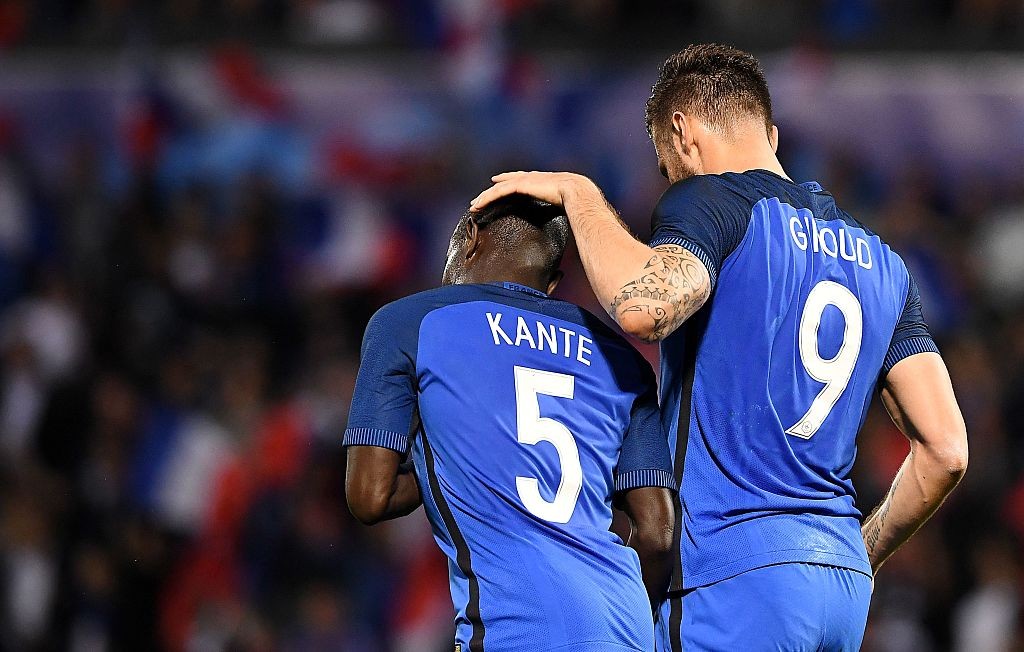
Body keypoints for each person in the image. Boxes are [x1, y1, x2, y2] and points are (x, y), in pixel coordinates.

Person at [471, 44, 969, 651]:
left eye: (663, 166)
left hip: (731, 577)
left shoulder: (711, 201)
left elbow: (643, 306)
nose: (669, 181)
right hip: (837, 590)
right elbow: (946, 450)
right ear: (772, 133)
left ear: (681, 134)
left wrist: (580, 196)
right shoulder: (887, 266)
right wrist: (854, 554)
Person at [343, 194, 676, 651]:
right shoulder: (624, 359)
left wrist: (450, 450)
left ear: (471, 240)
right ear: (554, 282)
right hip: (624, 626)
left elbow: (369, 496)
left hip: (514, 627)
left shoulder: (408, 321)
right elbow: (658, 533)